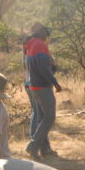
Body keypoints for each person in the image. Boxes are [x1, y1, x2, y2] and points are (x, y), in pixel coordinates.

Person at [24, 22, 62, 159]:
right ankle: (33, 146)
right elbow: (44, 69)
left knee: (41, 118)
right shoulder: (39, 45)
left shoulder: (31, 44)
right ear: (41, 33)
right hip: (42, 87)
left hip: (34, 86)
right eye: (46, 33)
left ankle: (44, 149)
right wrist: (55, 83)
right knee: (49, 117)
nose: (47, 36)